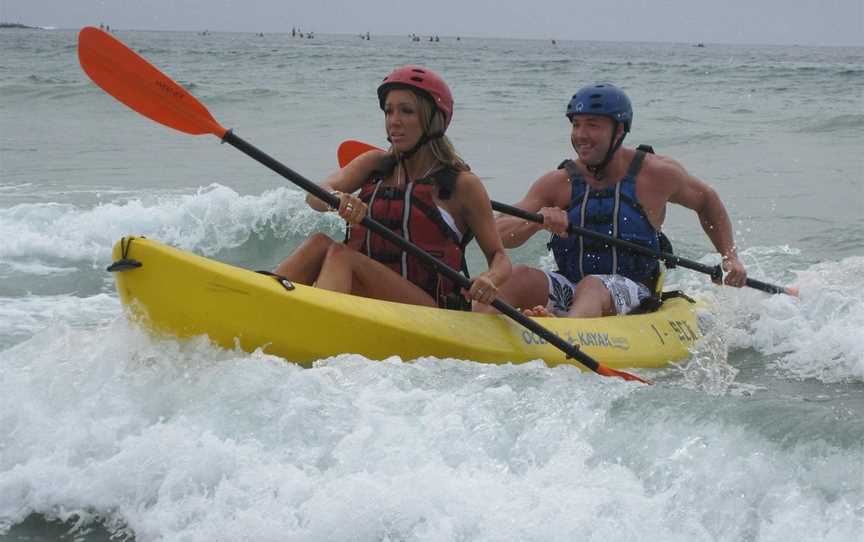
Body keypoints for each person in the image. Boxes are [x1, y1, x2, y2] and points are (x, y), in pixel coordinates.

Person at [477, 83, 747, 318]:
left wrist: (729, 257)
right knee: (517, 276)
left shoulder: (657, 174)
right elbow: (498, 233)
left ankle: (566, 330)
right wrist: (536, 223)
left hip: (634, 293)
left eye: (592, 125)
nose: (580, 134)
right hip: (570, 287)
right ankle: (475, 330)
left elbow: (707, 201)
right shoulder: (558, 183)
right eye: (576, 124)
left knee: (593, 286)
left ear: (619, 131)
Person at [274, 65, 511, 309]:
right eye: (388, 112)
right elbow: (314, 195)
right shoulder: (375, 164)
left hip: (427, 310)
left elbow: (500, 257)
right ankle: (257, 303)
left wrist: (489, 278)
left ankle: (315, 327)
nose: (393, 122)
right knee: (319, 243)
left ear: (433, 120)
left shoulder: (462, 185)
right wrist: (337, 198)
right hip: (372, 298)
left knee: (341, 256)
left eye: (406, 111)